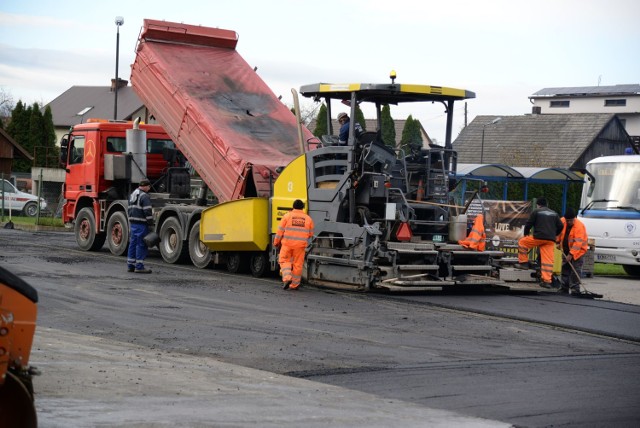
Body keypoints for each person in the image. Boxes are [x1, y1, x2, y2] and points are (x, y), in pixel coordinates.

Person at [515, 197, 564, 288]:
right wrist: (554, 234)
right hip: (550, 240)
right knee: (547, 261)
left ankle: (524, 263)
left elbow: (529, 223)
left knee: (522, 242)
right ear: (547, 204)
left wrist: (526, 234)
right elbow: (561, 225)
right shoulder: (554, 213)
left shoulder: (536, 212)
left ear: (538, 205)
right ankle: (546, 281)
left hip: (538, 237)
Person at [273, 199, 314, 290]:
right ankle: (294, 284)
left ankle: (287, 278)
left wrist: (276, 242)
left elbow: (280, 231)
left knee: (284, 260)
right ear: (303, 207)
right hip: (300, 246)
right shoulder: (308, 219)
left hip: (287, 244)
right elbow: (310, 234)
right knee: (298, 264)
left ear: (293, 207)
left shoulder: (287, 216)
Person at [556, 207, 589, 295]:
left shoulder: (579, 227)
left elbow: (578, 244)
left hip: (578, 252)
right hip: (566, 250)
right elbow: (558, 232)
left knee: (575, 270)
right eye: (567, 220)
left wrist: (570, 255)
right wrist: (558, 242)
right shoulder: (563, 221)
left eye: (570, 220)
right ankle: (564, 287)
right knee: (565, 269)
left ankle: (575, 289)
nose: (569, 222)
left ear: (574, 218)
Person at [127, 179, 154, 274]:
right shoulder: (144, 196)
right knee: (141, 245)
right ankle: (139, 266)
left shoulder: (133, 195)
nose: (149, 189)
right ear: (146, 186)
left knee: (132, 244)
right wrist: (151, 223)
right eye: (149, 187)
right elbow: (147, 211)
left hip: (133, 223)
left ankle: (131, 265)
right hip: (141, 224)